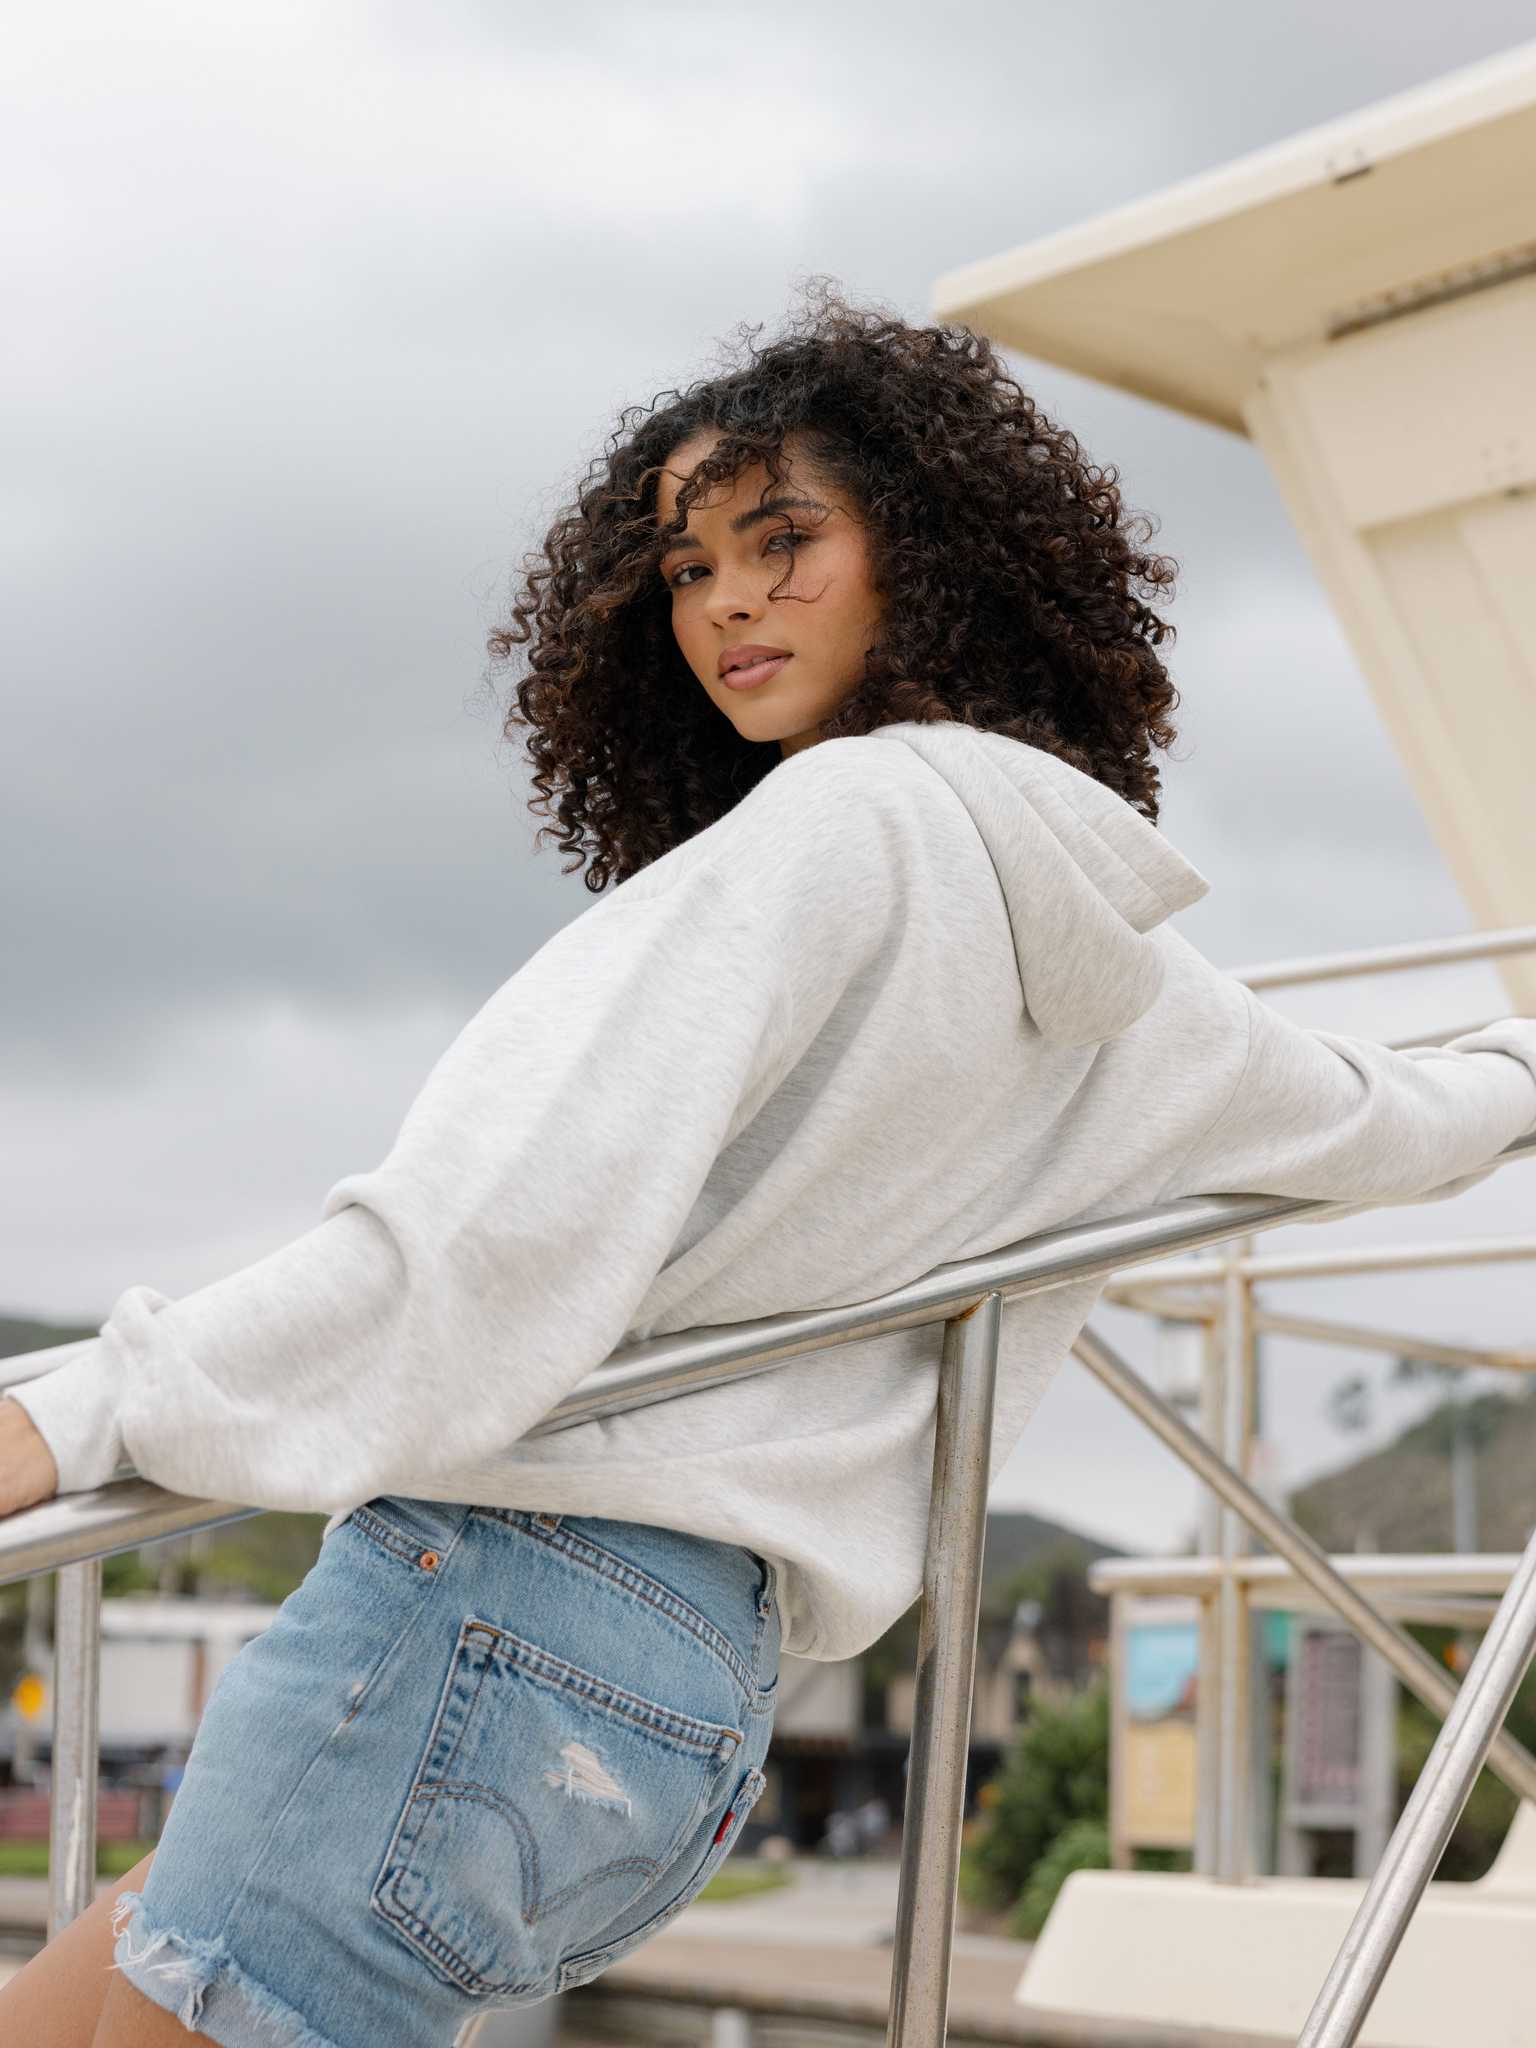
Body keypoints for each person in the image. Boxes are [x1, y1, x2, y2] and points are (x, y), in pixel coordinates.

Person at [3, 279, 1534, 2048]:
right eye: (687, 570)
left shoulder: (833, 829)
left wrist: (76, 1414)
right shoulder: (1134, 981)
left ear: (931, 550)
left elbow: (489, 1240)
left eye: (781, 538)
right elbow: (1390, 1118)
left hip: (492, 1610)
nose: (727, 600)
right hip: (688, 1705)